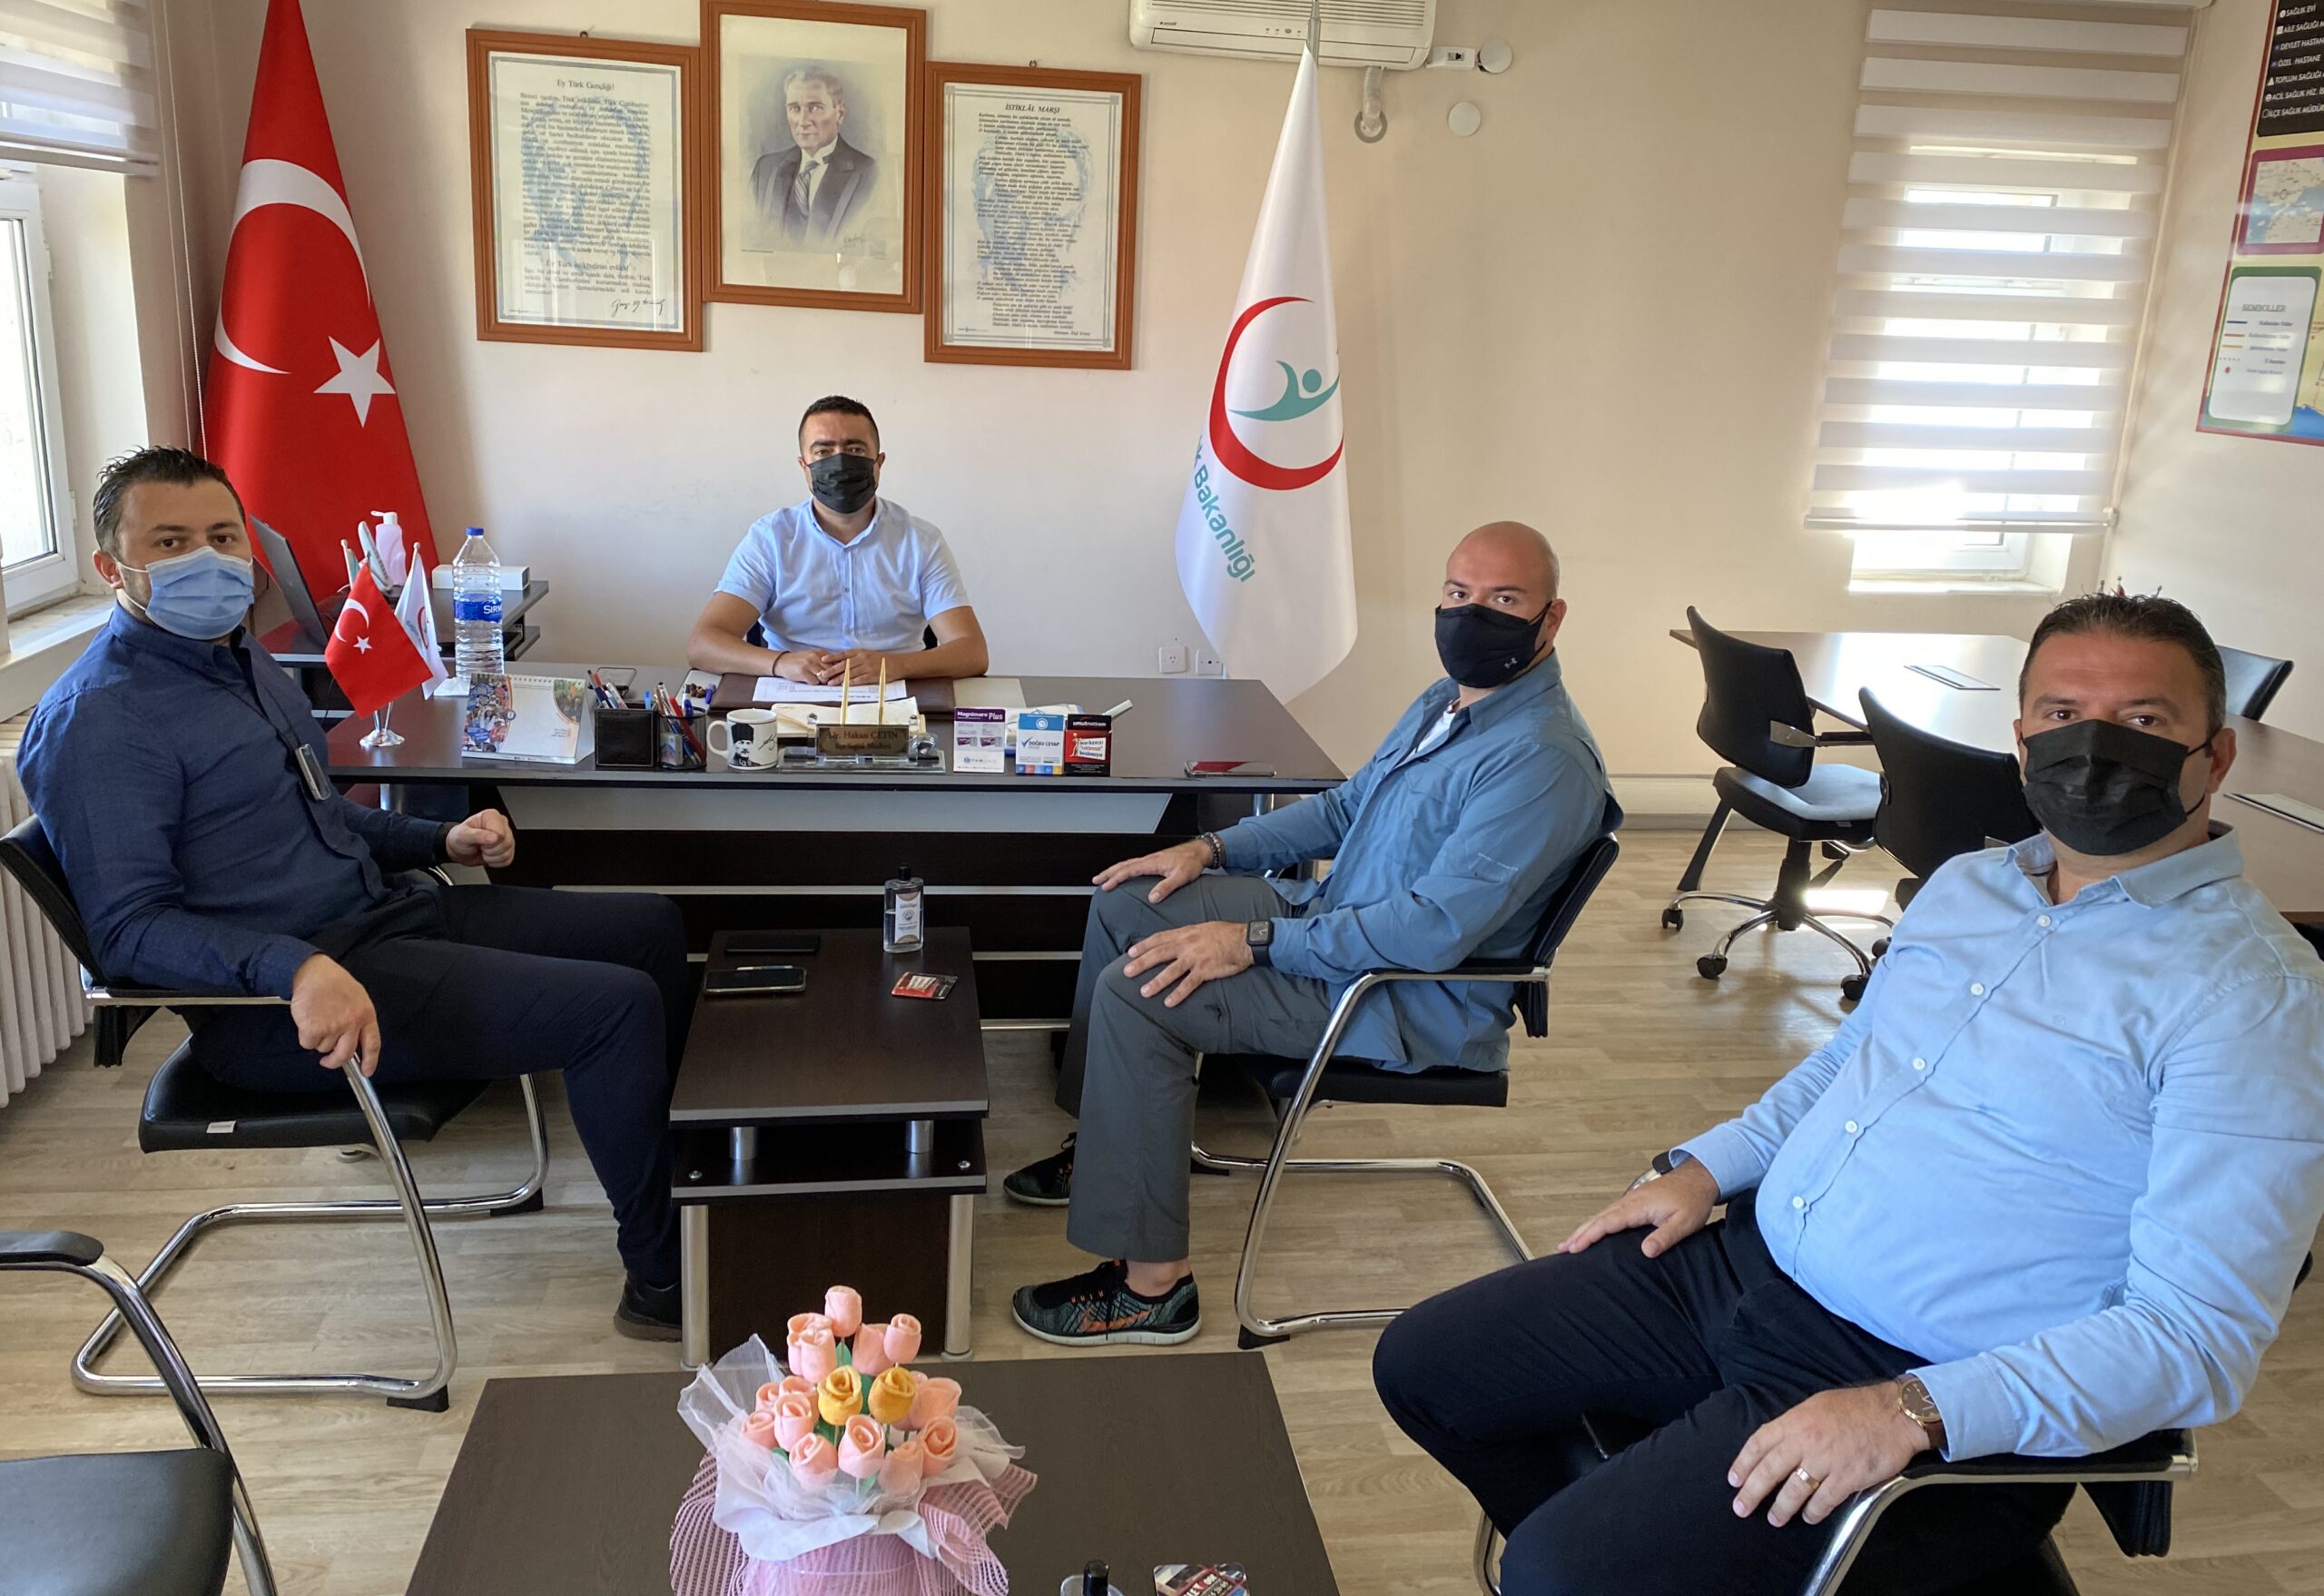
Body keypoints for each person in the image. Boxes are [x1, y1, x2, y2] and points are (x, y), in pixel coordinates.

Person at [1373, 592, 2324, 1596]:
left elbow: (2196, 1339)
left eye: (2143, 720)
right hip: (1745, 1266)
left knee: (1556, 1574)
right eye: (2062, 715)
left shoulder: (2252, 999)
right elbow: (1851, 1066)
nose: (2093, 746)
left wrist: (1910, 1410)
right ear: (2021, 741)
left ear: (2215, 756)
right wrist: (1710, 1168)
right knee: (1426, 1367)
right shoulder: (1972, 886)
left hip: (1911, 1372)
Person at [19, 448, 694, 1340]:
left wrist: (438, 840)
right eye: (171, 542)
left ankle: (690, 1180)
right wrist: (294, 968)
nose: (207, 560)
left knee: (651, 926)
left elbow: (319, 812)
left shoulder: (240, 661)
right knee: (612, 1010)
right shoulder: (100, 718)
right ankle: (664, 1277)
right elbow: (129, 932)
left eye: (222, 537)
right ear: (112, 567)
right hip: (282, 1010)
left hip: (379, 923)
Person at [1006, 522, 1617, 1346]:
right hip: (1334, 927)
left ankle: (1153, 1288)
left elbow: (1430, 931)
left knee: (1138, 994)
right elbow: (1343, 809)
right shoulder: (1448, 702)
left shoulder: (1543, 758)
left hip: (1394, 995)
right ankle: (1110, 1150)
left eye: (1504, 600)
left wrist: (1252, 941)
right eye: (1457, 594)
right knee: (1131, 902)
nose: (1472, 615)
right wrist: (1210, 847)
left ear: (1552, 618)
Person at [686, 394, 989, 683]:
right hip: (792, 693)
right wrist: (781, 663)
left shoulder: (920, 541)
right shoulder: (770, 539)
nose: (840, 463)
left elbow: (972, 652)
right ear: (804, 466)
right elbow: (704, 644)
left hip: (895, 695)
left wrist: (895, 665)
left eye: (855, 450)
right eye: (823, 452)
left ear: (878, 462)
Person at [750, 64, 877, 248]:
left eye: (816, 108)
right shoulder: (765, 170)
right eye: (795, 108)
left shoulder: (869, 174)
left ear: (839, 113)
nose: (803, 121)